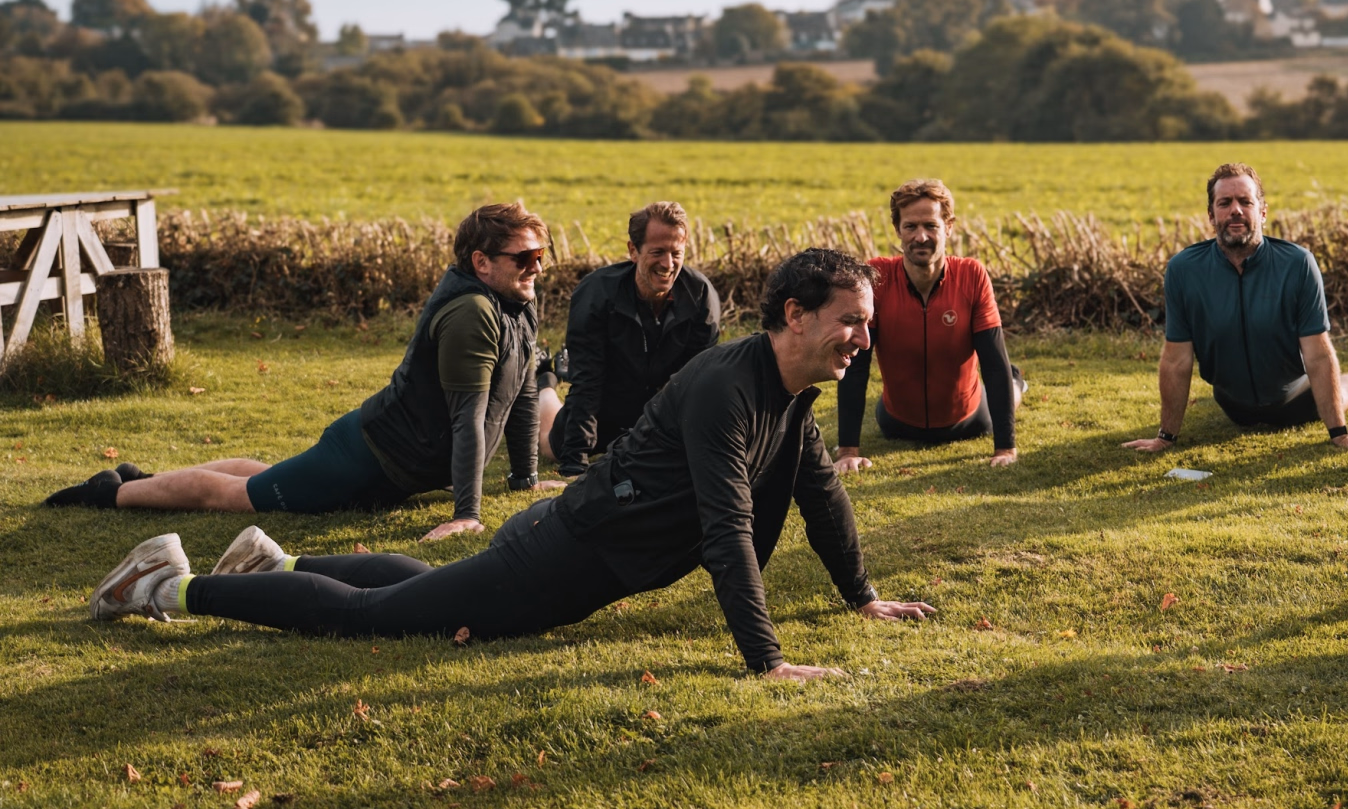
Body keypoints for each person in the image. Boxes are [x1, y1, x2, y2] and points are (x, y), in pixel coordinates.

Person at [90, 249, 936, 680]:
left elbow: (819, 491)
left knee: (420, 585)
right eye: (852, 322)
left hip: (567, 551)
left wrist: (862, 596)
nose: (864, 340)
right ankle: (169, 583)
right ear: (795, 314)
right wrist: (768, 659)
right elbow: (728, 529)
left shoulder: (785, 386)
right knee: (375, 618)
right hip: (561, 555)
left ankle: (278, 560)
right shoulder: (727, 388)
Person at [48, 202, 554, 542]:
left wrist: (525, 478)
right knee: (238, 497)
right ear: (481, 261)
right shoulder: (473, 313)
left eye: (540, 256)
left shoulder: (518, 300)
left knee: (265, 477)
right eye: (525, 257)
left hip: (390, 458)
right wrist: (467, 513)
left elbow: (523, 392)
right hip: (368, 457)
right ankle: (109, 492)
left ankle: (145, 478)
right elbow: (469, 416)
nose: (536, 266)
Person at [1121, 162, 1348, 454]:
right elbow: (1176, 360)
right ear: (1211, 215)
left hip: (1296, 397)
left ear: (1262, 211)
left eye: (1245, 202)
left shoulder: (1298, 263)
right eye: (1225, 203)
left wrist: (1340, 435)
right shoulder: (1184, 270)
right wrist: (1165, 437)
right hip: (1233, 405)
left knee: (1347, 390)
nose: (1235, 209)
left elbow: (1318, 355)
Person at [834, 179, 1023, 472]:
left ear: (948, 227)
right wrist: (847, 451)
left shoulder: (972, 275)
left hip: (969, 420)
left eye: (931, 226)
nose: (920, 237)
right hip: (897, 422)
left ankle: (1017, 383)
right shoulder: (879, 277)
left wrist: (1005, 448)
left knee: (1007, 384)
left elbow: (994, 363)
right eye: (910, 226)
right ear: (898, 229)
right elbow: (856, 364)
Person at [540, 201, 721, 477]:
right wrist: (575, 460)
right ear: (633, 251)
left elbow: (696, 385)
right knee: (549, 446)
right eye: (657, 252)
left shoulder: (701, 297)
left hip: (656, 418)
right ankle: (544, 384)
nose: (668, 263)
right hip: (603, 409)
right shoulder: (596, 294)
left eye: (676, 253)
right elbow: (587, 383)